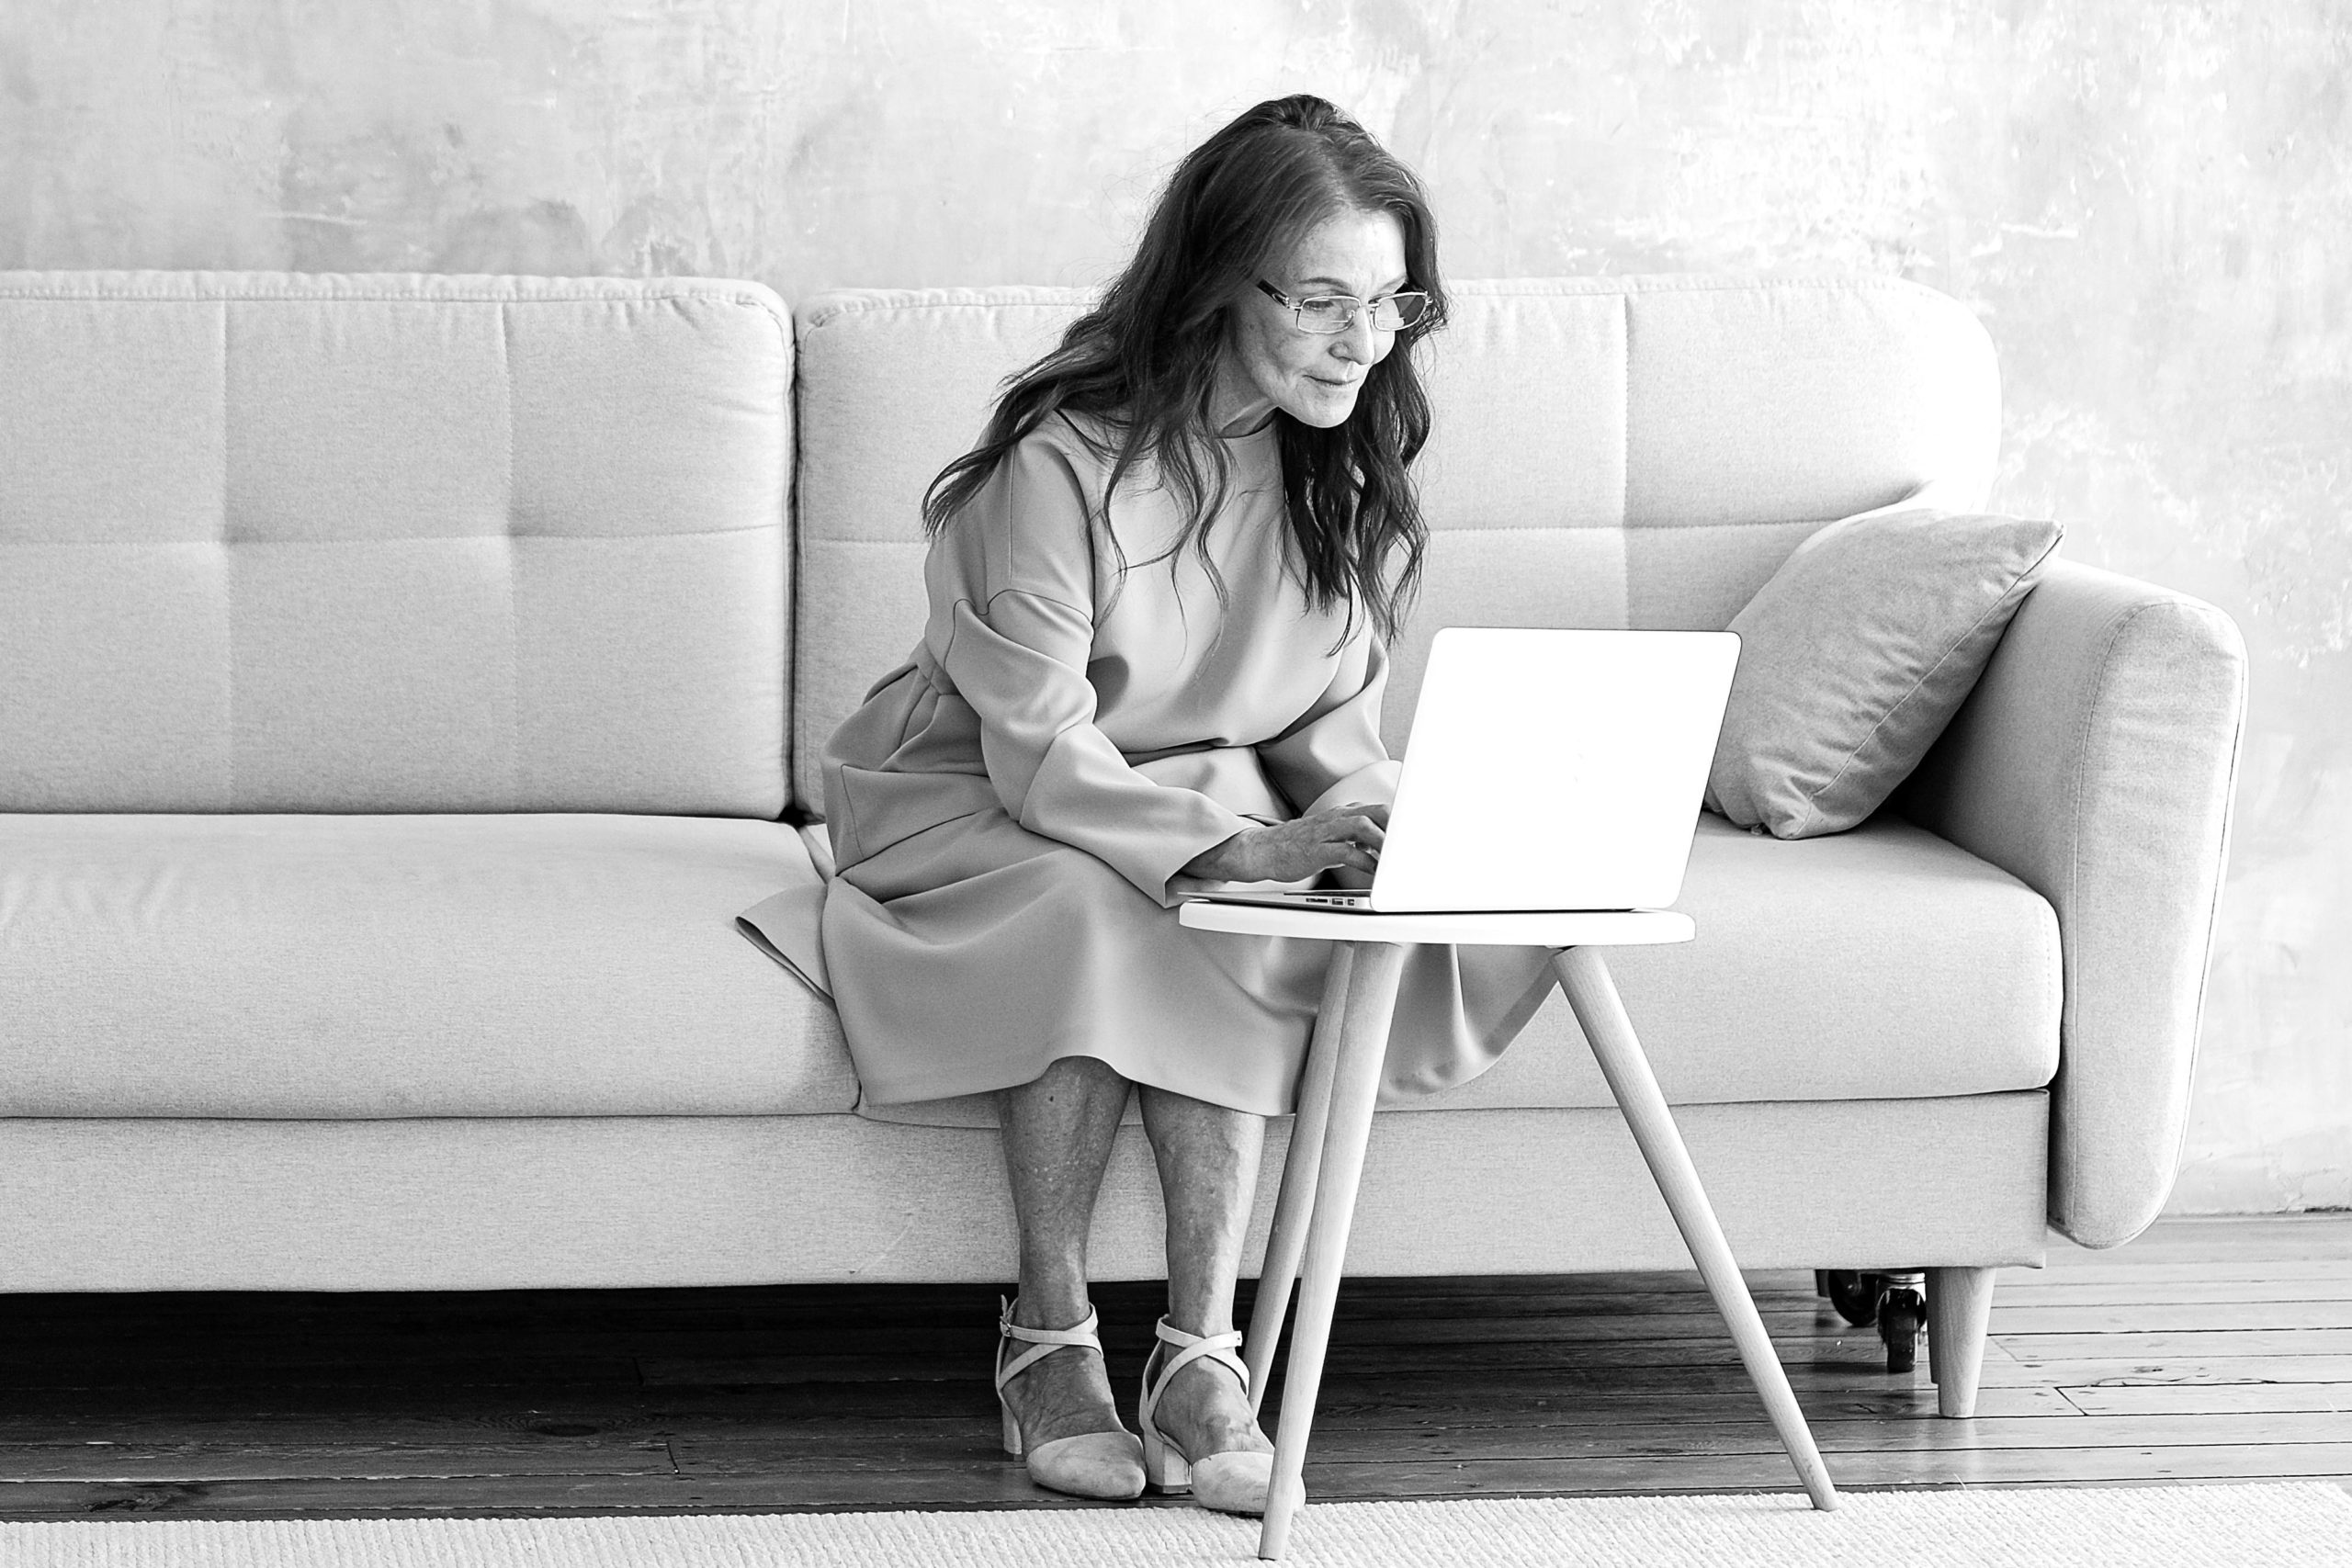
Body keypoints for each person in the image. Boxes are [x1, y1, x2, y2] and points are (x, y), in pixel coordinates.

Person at [812, 95, 1557, 1513]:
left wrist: (1403, 820)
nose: (1366, 339)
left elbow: (1328, 724)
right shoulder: (1058, 467)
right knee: (1128, 895)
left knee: (1235, 882)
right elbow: (1036, 751)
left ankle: (1198, 1352)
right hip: (965, 791)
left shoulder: (1335, 464)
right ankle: (1048, 1333)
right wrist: (1241, 846)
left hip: (1183, 792)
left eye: (1392, 301)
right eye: (1325, 299)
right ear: (1221, 284)